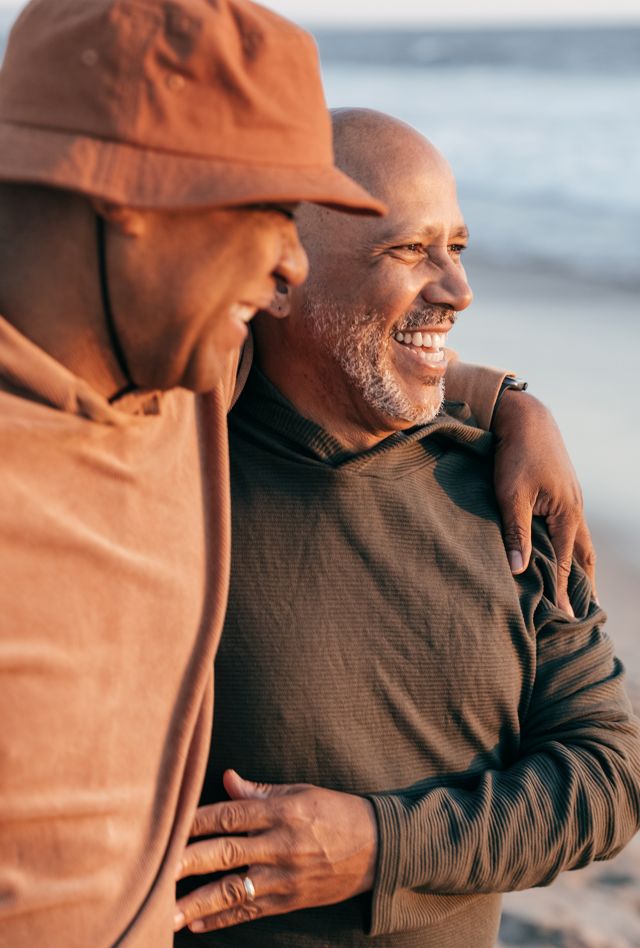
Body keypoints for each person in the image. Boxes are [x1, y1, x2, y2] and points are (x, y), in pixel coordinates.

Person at [174, 110, 640, 947]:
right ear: (279, 274)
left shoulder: (510, 499)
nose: (458, 289)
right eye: (409, 250)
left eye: (456, 247)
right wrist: (502, 392)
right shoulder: (171, 482)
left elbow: (609, 777)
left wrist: (382, 846)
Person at [0, 3, 387, 946]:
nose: (296, 264)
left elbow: (347, 357)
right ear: (128, 193)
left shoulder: (187, 380)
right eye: (269, 212)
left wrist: (501, 400)